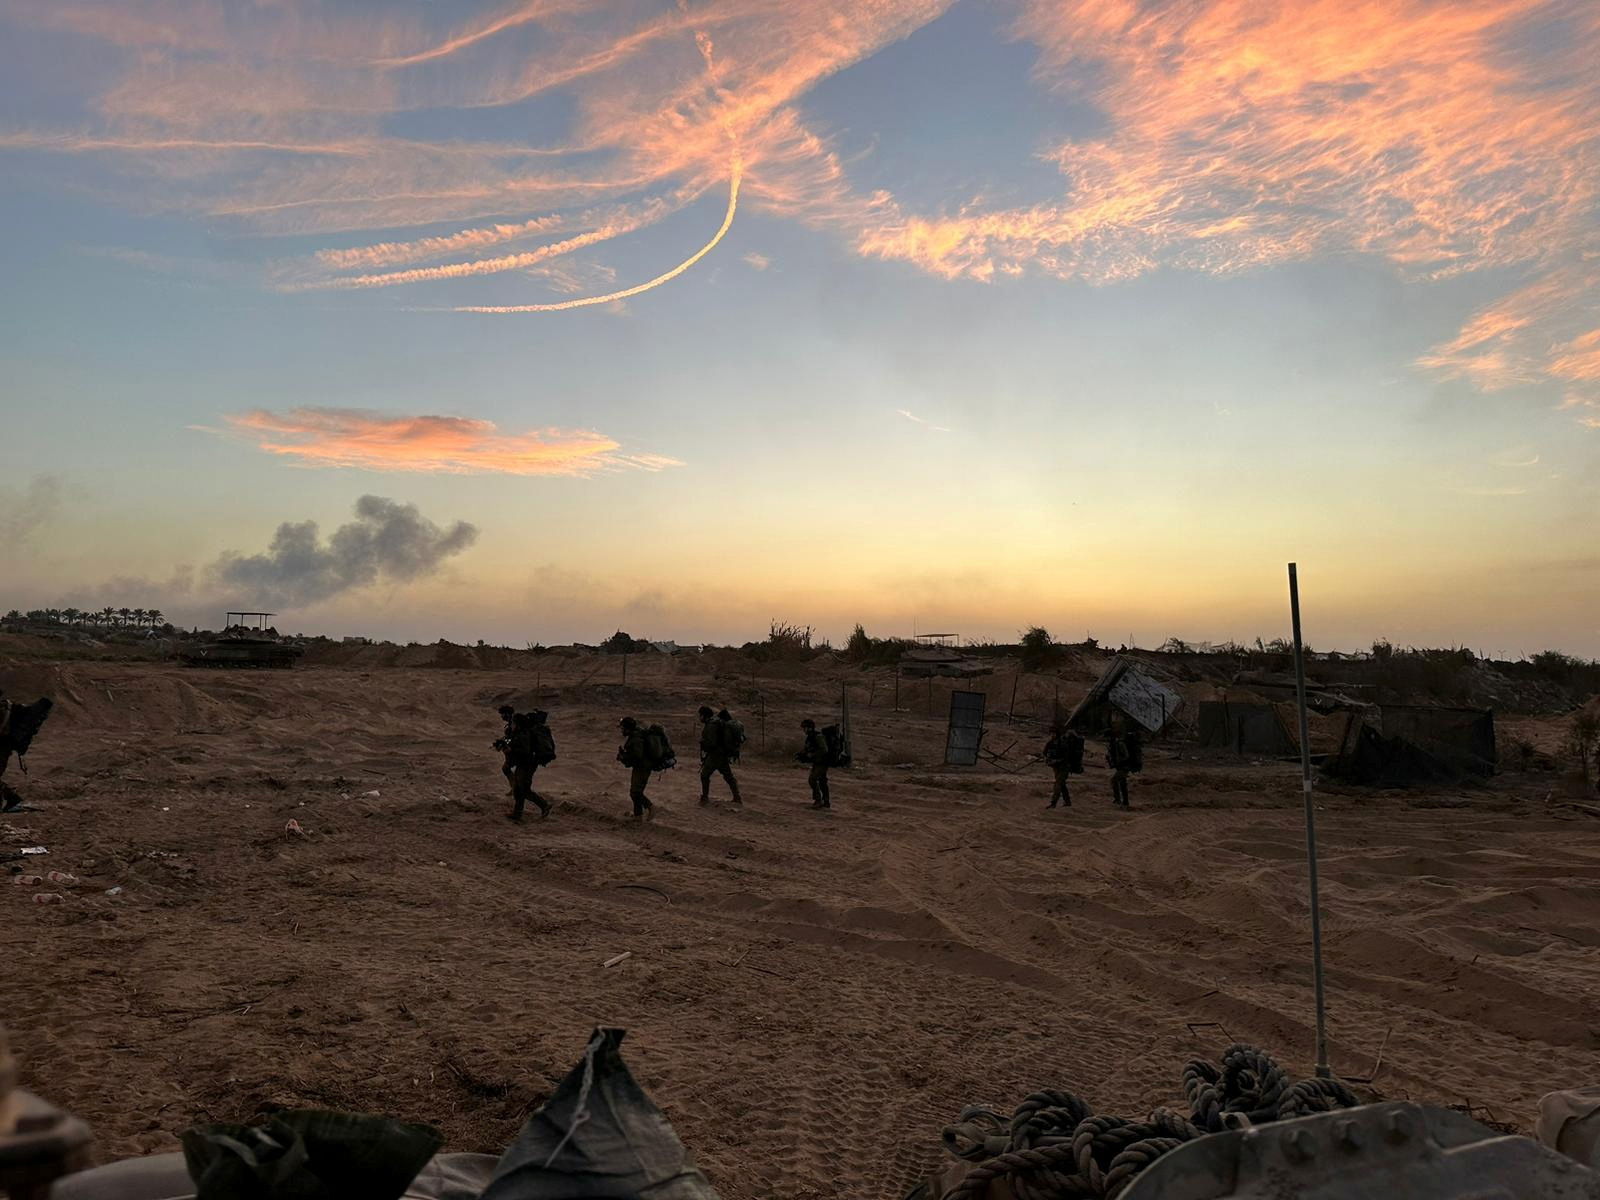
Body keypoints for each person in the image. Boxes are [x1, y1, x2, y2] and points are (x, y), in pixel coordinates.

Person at [505, 711, 553, 821]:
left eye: (513, 723)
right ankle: (517, 814)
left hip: (527, 765)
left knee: (524, 789)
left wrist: (511, 750)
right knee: (518, 789)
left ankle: (544, 805)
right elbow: (511, 742)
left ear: (518, 724)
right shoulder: (518, 733)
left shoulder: (524, 735)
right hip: (524, 764)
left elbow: (525, 751)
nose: (511, 725)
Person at [697, 705, 744, 807]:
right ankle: (737, 797)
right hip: (722, 754)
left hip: (715, 755)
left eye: (700, 715)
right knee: (728, 776)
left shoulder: (711, 725)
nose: (699, 717)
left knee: (704, 775)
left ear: (704, 715)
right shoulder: (716, 723)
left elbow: (712, 743)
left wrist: (703, 742)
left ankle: (704, 798)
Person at [616, 717, 655, 821]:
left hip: (642, 768)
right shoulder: (635, 736)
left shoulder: (636, 739)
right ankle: (638, 817)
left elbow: (637, 756)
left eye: (622, 728)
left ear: (628, 729)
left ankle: (650, 807)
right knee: (635, 792)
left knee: (635, 792)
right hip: (641, 767)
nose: (621, 731)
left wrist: (624, 757)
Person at [1042, 725, 1083, 808]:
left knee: (1058, 784)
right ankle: (1067, 801)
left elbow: (1066, 757)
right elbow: (1044, 752)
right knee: (1062, 784)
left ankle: (1053, 803)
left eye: (1054, 733)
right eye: (1051, 733)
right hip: (1056, 767)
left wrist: (1056, 760)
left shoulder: (1063, 744)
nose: (1052, 735)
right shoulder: (1050, 743)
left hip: (1064, 767)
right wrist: (1048, 759)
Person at [797, 718, 831, 809]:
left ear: (810, 728)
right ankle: (826, 801)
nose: (804, 730)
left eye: (805, 728)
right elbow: (807, 748)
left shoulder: (818, 736)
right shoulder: (810, 737)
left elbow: (824, 749)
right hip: (817, 762)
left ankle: (818, 801)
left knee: (812, 779)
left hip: (822, 762)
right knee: (822, 781)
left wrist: (812, 755)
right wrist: (801, 754)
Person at [1106, 717, 1133, 809]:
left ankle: (1118, 800)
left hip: (1124, 767)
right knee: (1122, 784)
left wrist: (1119, 761)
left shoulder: (1120, 744)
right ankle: (1125, 802)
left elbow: (1126, 755)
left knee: (1114, 781)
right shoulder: (1114, 744)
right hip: (1121, 767)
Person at [493, 704, 517, 795]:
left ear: (507, 714)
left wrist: (504, 742)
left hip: (518, 751)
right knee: (506, 768)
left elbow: (514, 737)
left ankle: (515, 788)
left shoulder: (514, 724)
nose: (501, 717)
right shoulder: (512, 723)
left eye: (502, 714)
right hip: (515, 750)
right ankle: (514, 788)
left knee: (506, 768)